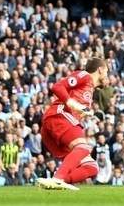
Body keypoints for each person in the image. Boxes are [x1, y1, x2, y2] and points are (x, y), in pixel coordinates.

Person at [37, 57, 108, 190]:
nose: (107, 77)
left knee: (91, 167)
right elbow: (57, 87)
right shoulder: (85, 76)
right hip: (59, 116)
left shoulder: (90, 89)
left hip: (59, 124)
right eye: (107, 72)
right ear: (100, 69)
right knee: (83, 147)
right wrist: (73, 104)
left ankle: (60, 182)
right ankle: (58, 179)